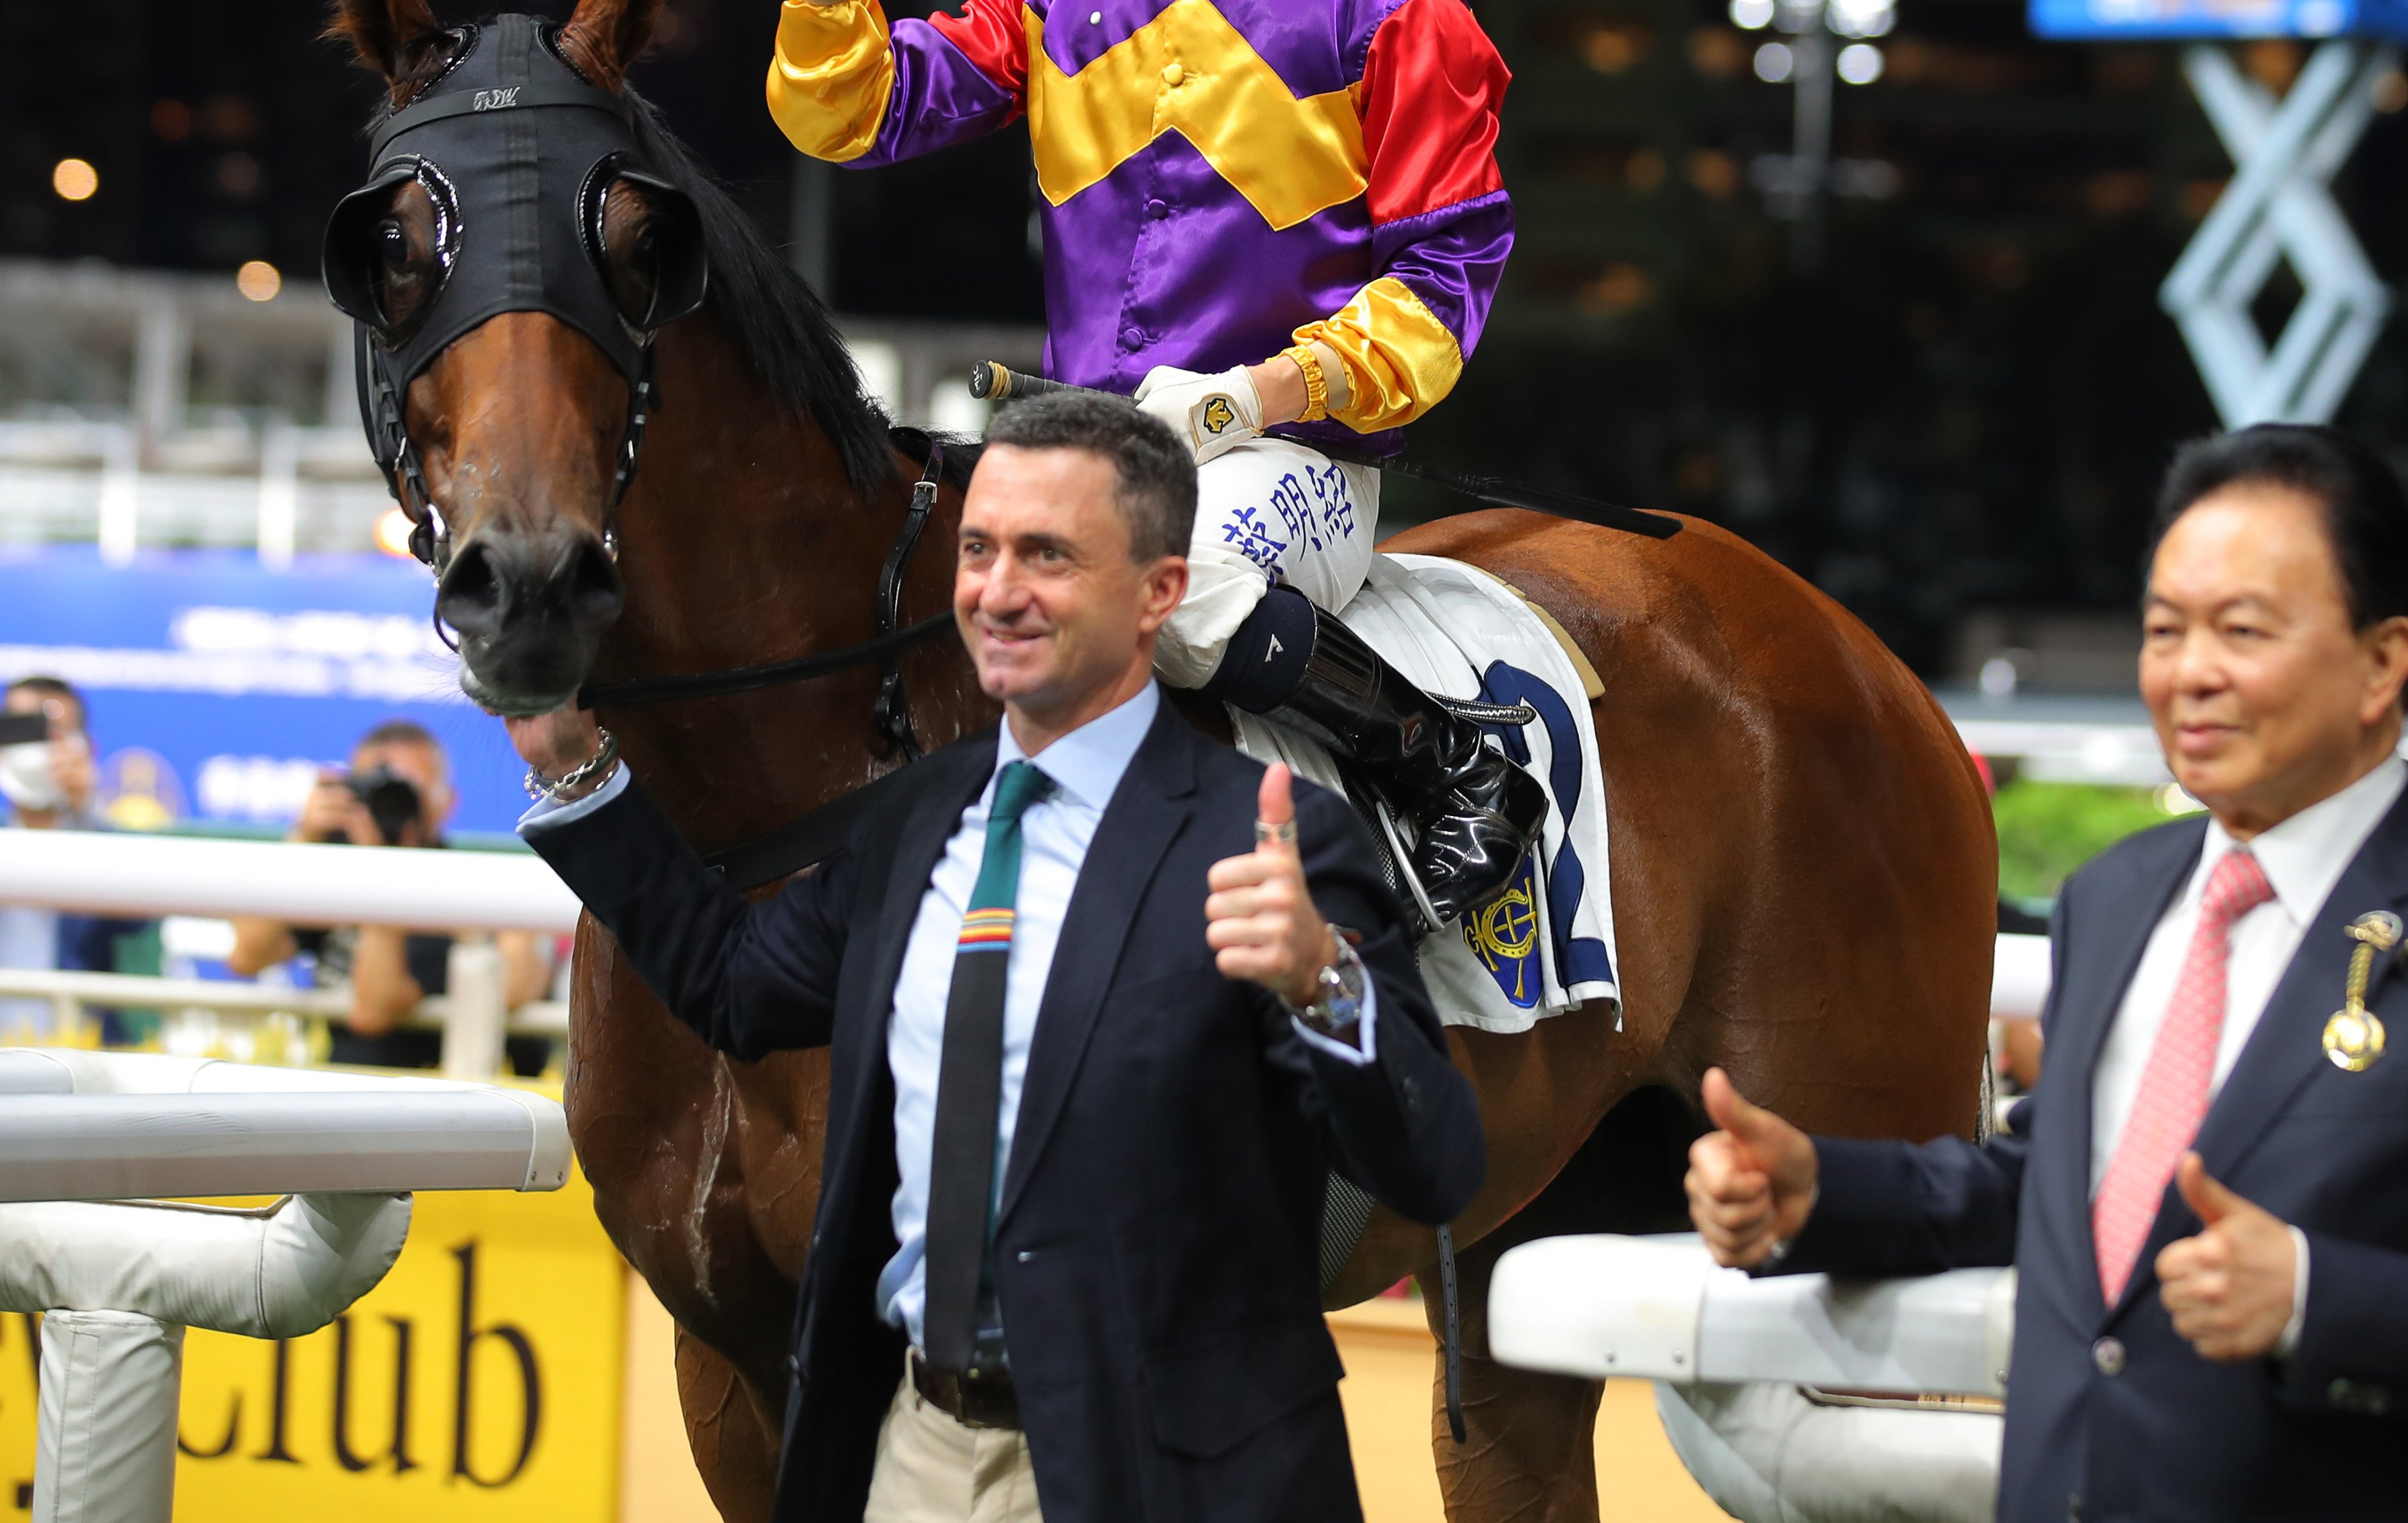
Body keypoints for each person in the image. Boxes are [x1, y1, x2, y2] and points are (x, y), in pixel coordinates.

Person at [502, 389, 1482, 1523]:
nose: (998, 590)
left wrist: (1327, 982)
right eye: (979, 548)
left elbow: (1433, 1165)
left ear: (1162, 591)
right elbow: (736, 981)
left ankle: (1446, 753)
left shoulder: (1281, 839)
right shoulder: (914, 823)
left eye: (1048, 554)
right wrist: (576, 769)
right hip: (913, 1455)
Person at [1683, 424, 2408, 1522]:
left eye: (2243, 630)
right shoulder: (2115, 896)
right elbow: (2066, 1188)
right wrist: (1823, 1191)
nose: (2192, 671)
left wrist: (2313, 1293)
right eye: (2165, 629)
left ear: (2385, 660)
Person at [760, 0, 1543, 930]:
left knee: (1169, 591)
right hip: (1084, 445)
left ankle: (1441, 754)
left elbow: (1440, 291)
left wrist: (1258, 396)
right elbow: (853, 114)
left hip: (1286, 459)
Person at [229, 720, 555, 1074]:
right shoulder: (334, 877)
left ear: (447, 802)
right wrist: (303, 840)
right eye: (376, 789)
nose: (394, 802)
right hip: (345, 1094)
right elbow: (248, 955)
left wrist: (382, 871)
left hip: (440, 1100)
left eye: (410, 789)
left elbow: (374, 1011)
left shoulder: (464, 892)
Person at [0, 675, 99, 1038]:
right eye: (19, 729)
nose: (37, 749)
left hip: (79, 1052)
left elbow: (139, 925)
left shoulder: (104, 843)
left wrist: (87, 813)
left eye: (53, 732)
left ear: (84, 749)